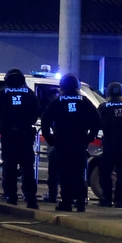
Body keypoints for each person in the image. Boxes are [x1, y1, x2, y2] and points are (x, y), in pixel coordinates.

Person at [41, 74, 101, 212]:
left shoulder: (57, 102)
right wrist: (89, 138)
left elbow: (45, 121)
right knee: (79, 174)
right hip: (79, 142)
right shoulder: (84, 101)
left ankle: (66, 203)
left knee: (65, 174)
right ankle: (80, 203)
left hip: (62, 142)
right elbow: (98, 121)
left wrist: (50, 138)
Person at [0, 68, 41, 208]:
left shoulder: (2, 93)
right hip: (25, 135)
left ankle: (11, 197)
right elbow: (37, 112)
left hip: (9, 136)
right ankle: (30, 199)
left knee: (9, 167)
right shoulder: (29, 94)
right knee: (27, 168)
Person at [97, 82, 122, 208]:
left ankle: (107, 199)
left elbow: (97, 122)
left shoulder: (104, 107)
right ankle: (119, 200)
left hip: (110, 145)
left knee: (105, 172)